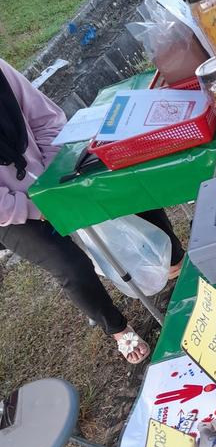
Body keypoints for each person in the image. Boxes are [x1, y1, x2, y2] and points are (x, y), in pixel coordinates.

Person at [0, 58, 185, 364]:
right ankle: (118, 328)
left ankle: (176, 259)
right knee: (69, 265)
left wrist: (53, 180)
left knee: (121, 186)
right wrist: (36, 207)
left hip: (49, 169)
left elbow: (45, 118)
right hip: (10, 211)